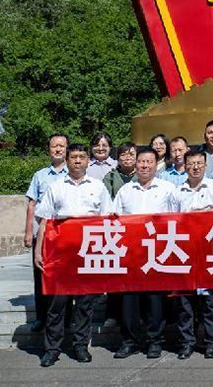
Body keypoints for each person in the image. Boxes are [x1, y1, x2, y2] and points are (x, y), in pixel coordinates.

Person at [34, 144, 113, 367]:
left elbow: (107, 219)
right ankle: (52, 349)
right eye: (73, 157)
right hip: (60, 252)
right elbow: (45, 220)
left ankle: (80, 346)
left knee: (85, 303)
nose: (77, 161)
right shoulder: (56, 187)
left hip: (88, 251)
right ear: (67, 161)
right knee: (57, 303)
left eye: (81, 157)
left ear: (88, 160)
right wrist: (38, 250)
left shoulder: (98, 187)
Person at [112, 147, 176, 360]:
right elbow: (115, 220)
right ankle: (129, 341)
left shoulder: (168, 189)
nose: (145, 166)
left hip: (157, 252)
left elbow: (176, 219)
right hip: (131, 254)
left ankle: (154, 341)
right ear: (135, 164)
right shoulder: (125, 190)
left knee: (154, 299)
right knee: (129, 300)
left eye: (149, 162)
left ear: (156, 165)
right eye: (141, 162)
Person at [169, 150, 213, 359]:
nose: (195, 167)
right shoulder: (177, 191)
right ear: (185, 166)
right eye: (191, 163)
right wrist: (205, 212)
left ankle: (211, 342)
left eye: (199, 163)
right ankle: (187, 342)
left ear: (205, 165)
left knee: (209, 301)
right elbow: (173, 220)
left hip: (209, 251)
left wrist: (195, 215)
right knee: (185, 302)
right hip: (184, 252)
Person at [23, 133, 68, 333]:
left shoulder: (73, 174)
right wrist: (28, 232)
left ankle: (66, 317)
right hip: (43, 234)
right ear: (48, 149)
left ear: (66, 149)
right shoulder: (40, 175)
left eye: (61, 146)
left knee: (65, 277)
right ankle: (41, 317)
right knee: (41, 275)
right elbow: (32, 204)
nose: (58, 149)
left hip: (66, 234)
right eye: (54, 146)